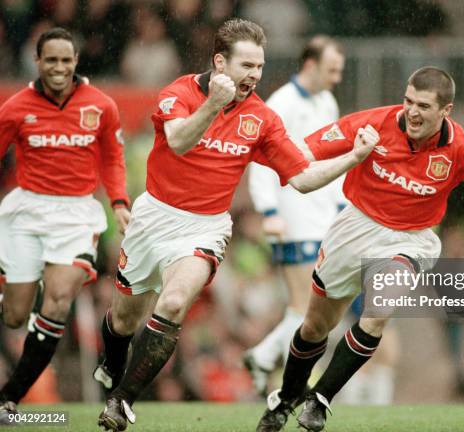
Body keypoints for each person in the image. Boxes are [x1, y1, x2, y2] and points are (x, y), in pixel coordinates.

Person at [255, 66, 464, 432]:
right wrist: (259, 155)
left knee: (378, 312)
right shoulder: (371, 124)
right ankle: (286, 399)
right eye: (408, 101)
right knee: (315, 326)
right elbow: (302, 151)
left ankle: (319, 400)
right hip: (355, 228)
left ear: (446, 111)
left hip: (412, 240)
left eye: (424, 106)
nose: (411, 111)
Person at [95, 18, 378, 432]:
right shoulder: (180, 92)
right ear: (219, 62)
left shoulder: (261, 118)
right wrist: (212, 105)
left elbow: (302, 178)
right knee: (122, 321)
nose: (254, 76)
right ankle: (113, 362)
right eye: (246, 66)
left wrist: (353, 157)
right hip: (154, 216)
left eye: (259, 67)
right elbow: (178, 141)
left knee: (173, 303)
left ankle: (121, 403)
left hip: (205, 227)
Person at [0, 27, 130, 423]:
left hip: (76, 215)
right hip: (26, 213)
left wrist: (119, 203)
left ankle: (8, 398)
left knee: (57, 300)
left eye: (66, 60)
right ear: (37, 62)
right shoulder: (15, 107)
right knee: (15, 317)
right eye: (51, 60)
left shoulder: (102, 106)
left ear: (76, 62)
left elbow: (112, 158)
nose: (59, 67)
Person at [243, 35, 346, 396]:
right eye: (332, 70)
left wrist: (341, 205)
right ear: (310, 65)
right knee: (306, 308)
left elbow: (331, 159)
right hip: (292, 216)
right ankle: (293, 379)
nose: (337, 78)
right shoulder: (281, 104)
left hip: (324, 218)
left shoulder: (327, 101)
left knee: (310, 309)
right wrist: (268, 210)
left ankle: (263, 355)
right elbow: (260, 160)